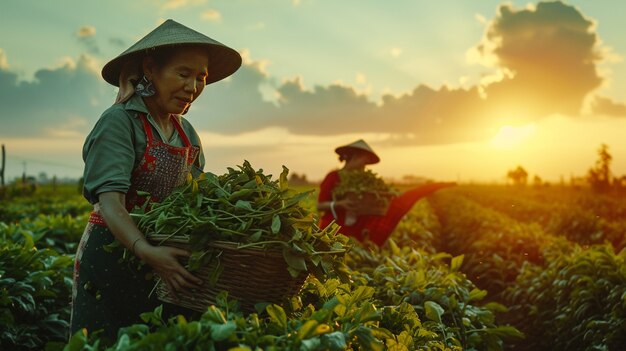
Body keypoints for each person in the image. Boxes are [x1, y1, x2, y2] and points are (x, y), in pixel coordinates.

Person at [70, 19, 242, 341]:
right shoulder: (119, 122)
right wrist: (145, 250)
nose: (192, 87)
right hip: (112, 256)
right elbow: (109, 201)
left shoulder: (185, 132)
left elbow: (195, 197)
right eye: (183, 73)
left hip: (164, 261)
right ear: (150, 69)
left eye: (200, 77)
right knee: (104, 341)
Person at [317, 139, 454, 246]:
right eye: (363, 162)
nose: (364, 167)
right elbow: (320, 205)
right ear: (354, 157)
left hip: (355, 234)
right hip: (333, 231)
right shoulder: (334, 177)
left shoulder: (366, 181)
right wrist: (340, 204)